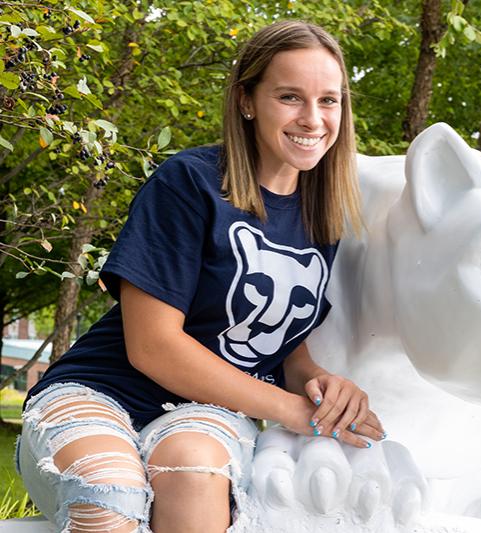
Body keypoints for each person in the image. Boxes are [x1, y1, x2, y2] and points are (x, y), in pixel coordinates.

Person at [16, 20, 385, 533]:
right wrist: (292, 410)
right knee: (111, 489)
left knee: (194, 473)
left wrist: (321, 389)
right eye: (289, 97)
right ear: (246, 100)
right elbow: (153, 346)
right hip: (98, 390)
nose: (313, 118)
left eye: (329, 100)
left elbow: (281, 344)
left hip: (207, 410)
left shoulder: (323, 217)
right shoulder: (190, 183)